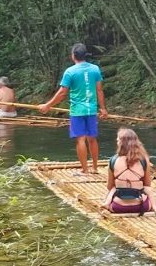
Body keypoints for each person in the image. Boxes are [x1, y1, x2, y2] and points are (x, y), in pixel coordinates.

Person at [39, 43, 108, 175]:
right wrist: (103, 108)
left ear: (73, 56)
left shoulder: (70, 72)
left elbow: (62, 93)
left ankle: (85, 170)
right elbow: (99, 90)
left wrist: (48, 105)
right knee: (92, 138)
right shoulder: (95, 69)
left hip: (77, 110)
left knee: (80, 139)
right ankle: (94, 168)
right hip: (91, 109)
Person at [104, 128, 154, 214]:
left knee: (112, 190)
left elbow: (110, 186)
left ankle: (106, 204)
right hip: (142, 206)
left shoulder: (113, 160)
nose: (116, 141)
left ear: (121, 143)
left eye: (118, 140)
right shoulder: (144, 160)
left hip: (118, 206)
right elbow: (147, 184)